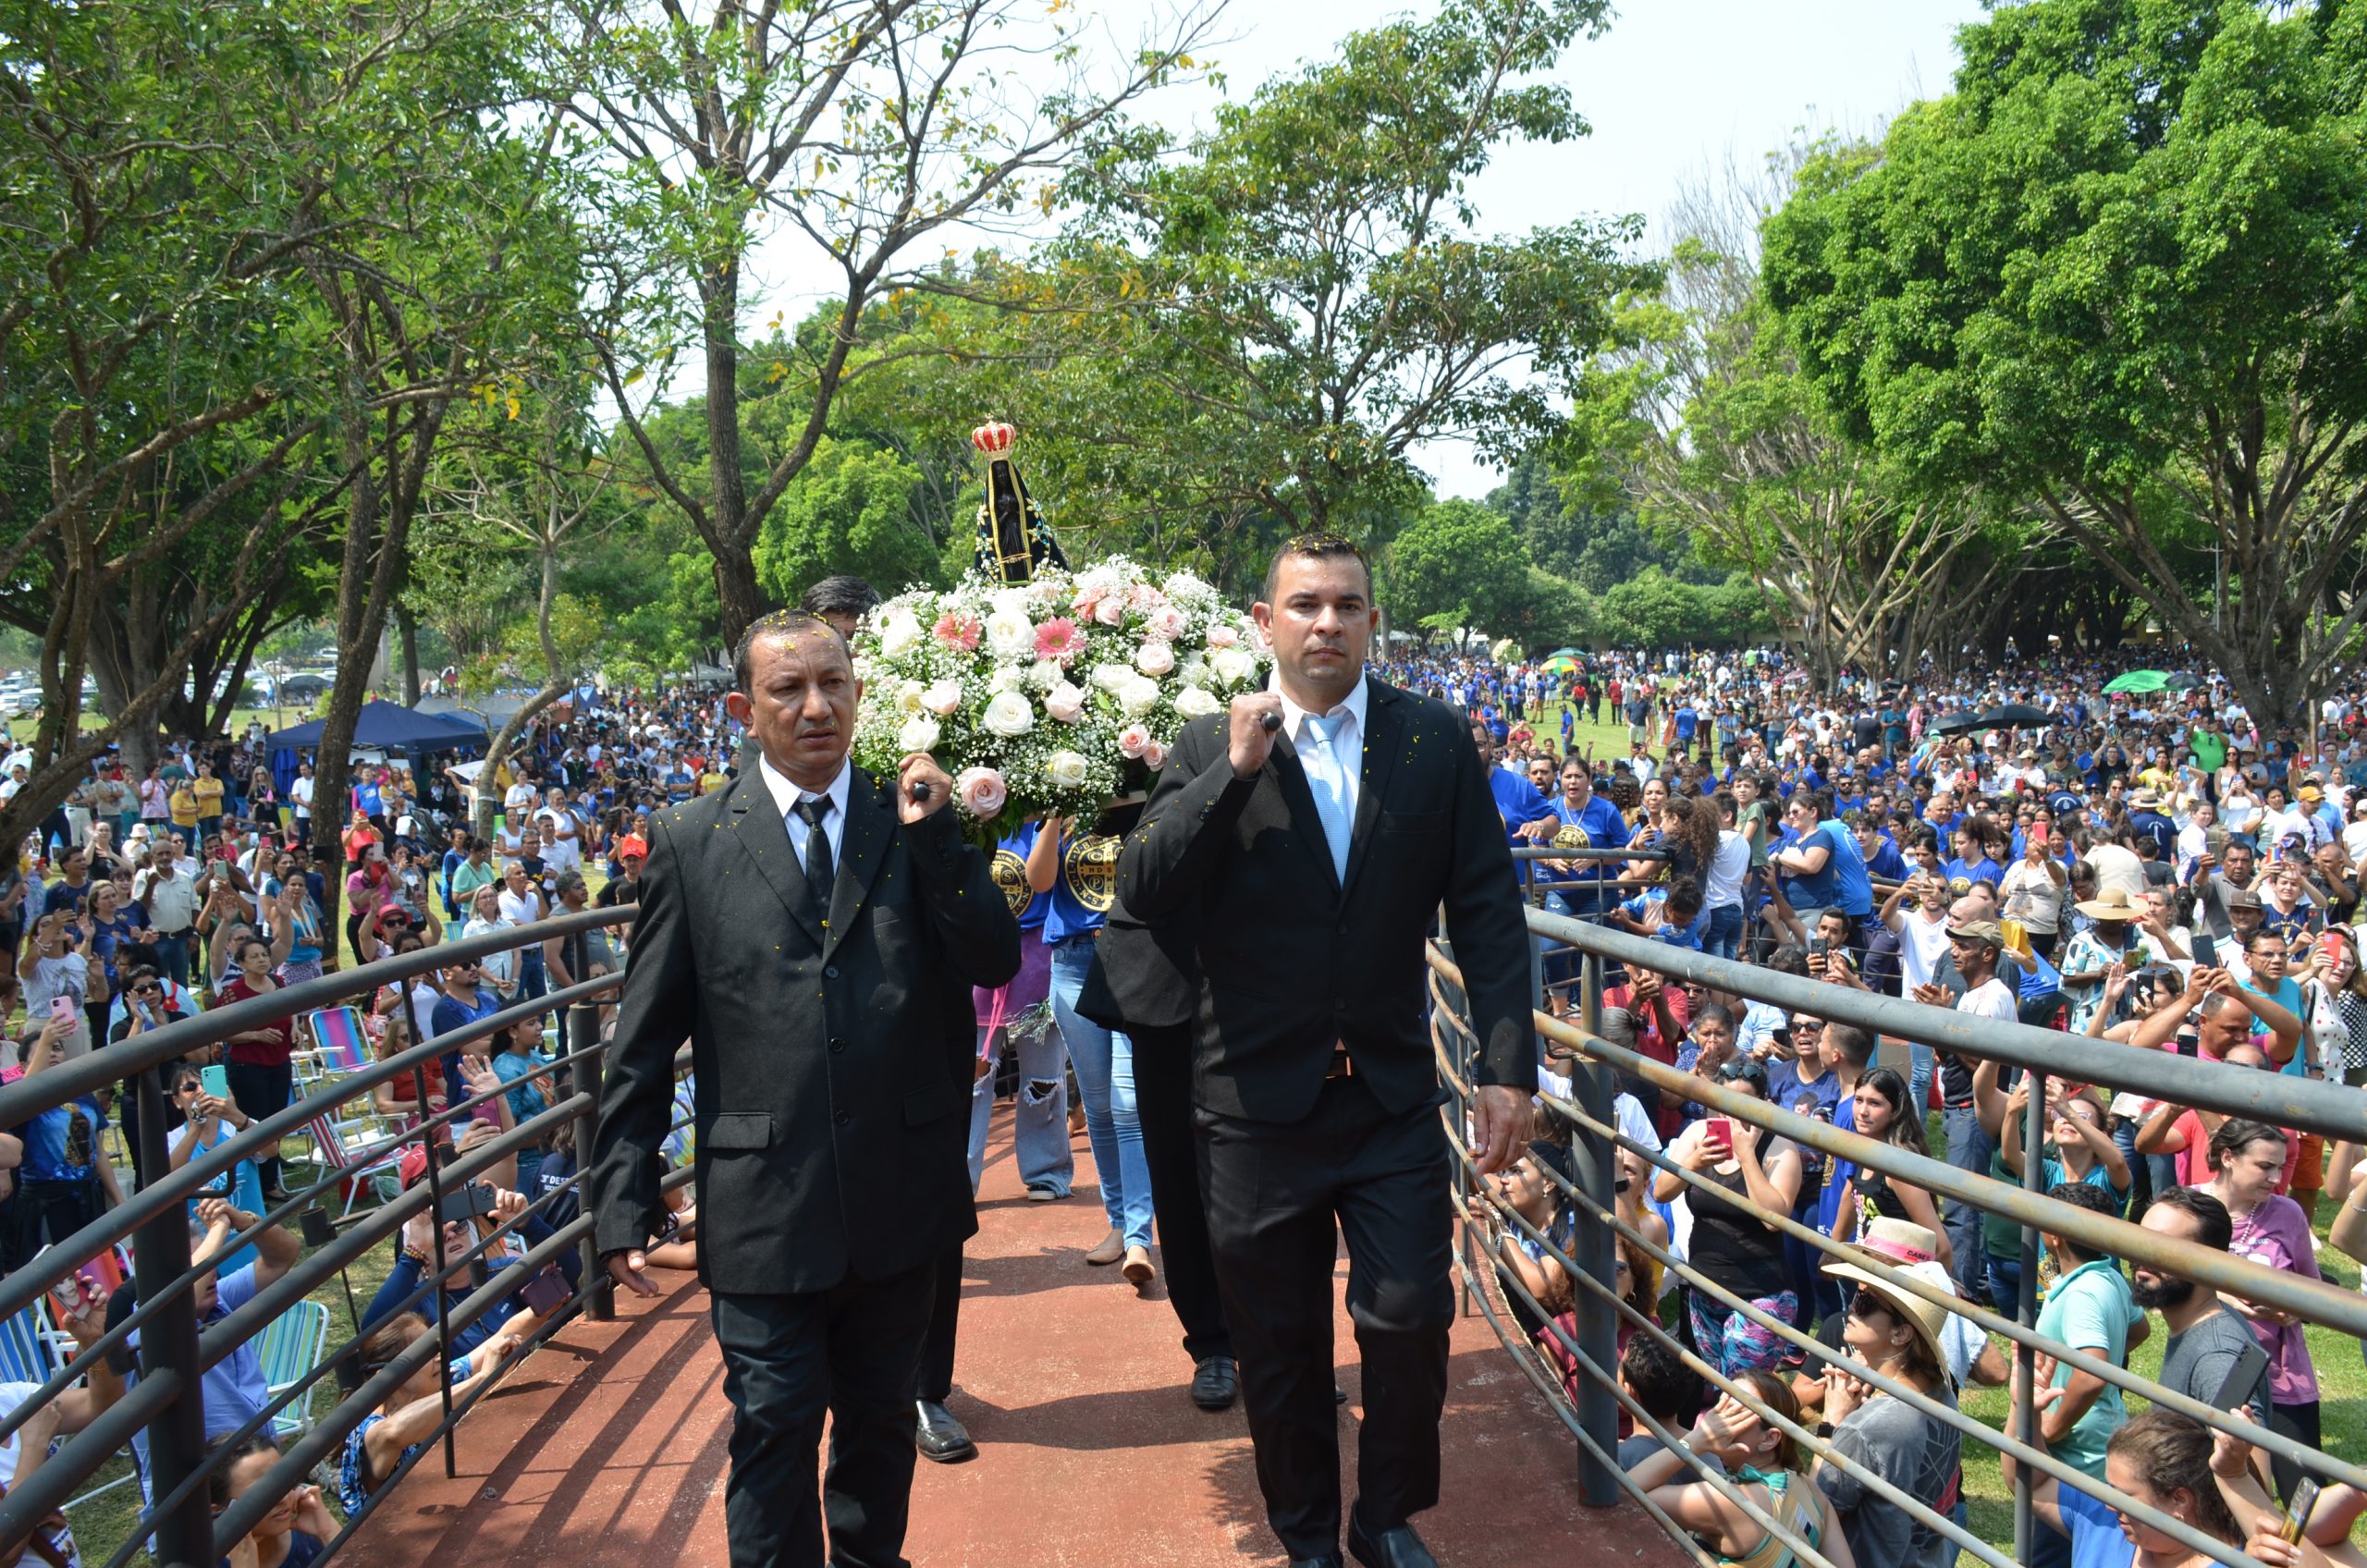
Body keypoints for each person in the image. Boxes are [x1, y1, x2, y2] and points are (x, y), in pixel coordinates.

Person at [1120, 533, 1535, 1568]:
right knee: (1280, 1344)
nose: (1326, 623)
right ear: (1263, 623)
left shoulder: (1430, 741)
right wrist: (1235, 769)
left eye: (1347, 605)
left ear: (1371, 622)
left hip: (1389, 1094)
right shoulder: (1208, 741)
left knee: (1409, 1318)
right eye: (1303, 604)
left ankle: (1383, 1513)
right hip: (1251, 1104)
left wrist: (1506, 1066)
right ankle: (1305, 1534)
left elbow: (1485, 909)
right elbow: (1145, 886)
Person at [590, 609, 1019, 1568]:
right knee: (775, 1420)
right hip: (762, 1201)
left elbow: (992, 956)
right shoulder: (692, 840)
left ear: (861, 695)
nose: (815, 705)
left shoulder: (911, 823)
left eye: (833, 683)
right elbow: (644, 1039)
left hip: (898, 1193)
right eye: (789, 689)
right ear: (747, 708)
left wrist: (944, 835)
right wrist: (619, 1201)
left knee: (875, 1426)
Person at [1651, 1060, 1805, 1375]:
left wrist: (1747, 1155)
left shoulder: (1781, 1147)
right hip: (1705, 1291)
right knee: (1723, 1387)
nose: (1731, 1114)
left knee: (1741, 1396)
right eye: (1724, 1102)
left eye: (1742, 1103)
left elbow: (1773, 1219)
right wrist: (1692, 1163)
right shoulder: (1698, 1134)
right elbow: (1661, 1192)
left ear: (1763, 1103)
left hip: (1760, 1297)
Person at [1810, 1258, 1961, 1568]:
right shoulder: (1943, 1395)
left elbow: (1811, 1519)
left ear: (1901, 1333)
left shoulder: (1865, 1428)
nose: (1852, 1307)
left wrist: (1832, 1422)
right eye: (1855, 1295)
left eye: (1866, 1303)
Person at [2201, 1119, 2323, 1504]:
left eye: (2280, 1166)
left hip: (2284, 1378)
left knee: (2306, 1498)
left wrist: (2291, 1306)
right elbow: (2157, 1281)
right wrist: (2220, 1295)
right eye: (2264, 1166)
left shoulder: (2288, 1213)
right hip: (2214, 1371)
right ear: (2228, 1158)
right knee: (2224, 1502)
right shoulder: (2187, 1208)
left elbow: (2314, 1291)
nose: (2275, 1177)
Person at [1625, 1376, 1855, 1568]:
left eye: (1733, 1412)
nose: (1714, 1418)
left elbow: (1625, 1491)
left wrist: (1695, 1440)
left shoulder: (1734, 1502)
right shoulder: (1810, 1491)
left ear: (1769, 1438)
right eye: (1720, 1403)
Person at [2131, 1186, 2272, 1428]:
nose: (2145, 1255)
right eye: (2141, 1240)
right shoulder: (2199, 1321)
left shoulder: (2216, 1354)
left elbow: (2252, 1458)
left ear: (2210, 1262)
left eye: (2164, 1246)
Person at [208, 1432, 336, 1568]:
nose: (284, 1497)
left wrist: (329, 1533)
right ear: (218, 1512)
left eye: (284, 1480)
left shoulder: (311, 1538)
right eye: (261, 1492)